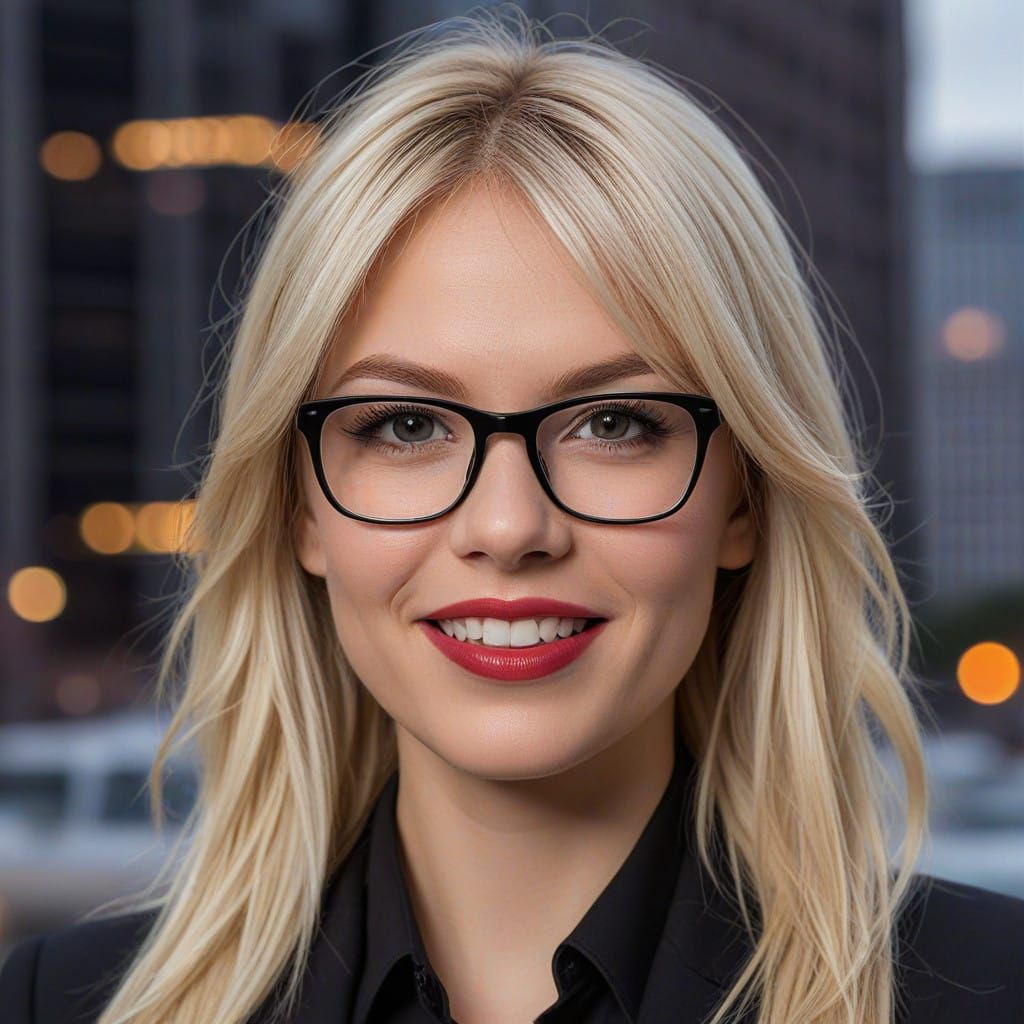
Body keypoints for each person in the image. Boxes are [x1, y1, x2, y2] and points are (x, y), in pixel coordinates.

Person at [3, 7, 1023, 1024]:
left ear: (743, 496)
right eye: (405, 425)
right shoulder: (57, 1004)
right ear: (300, 506)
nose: (506, 526)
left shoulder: (993, 989)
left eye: (614, 423)